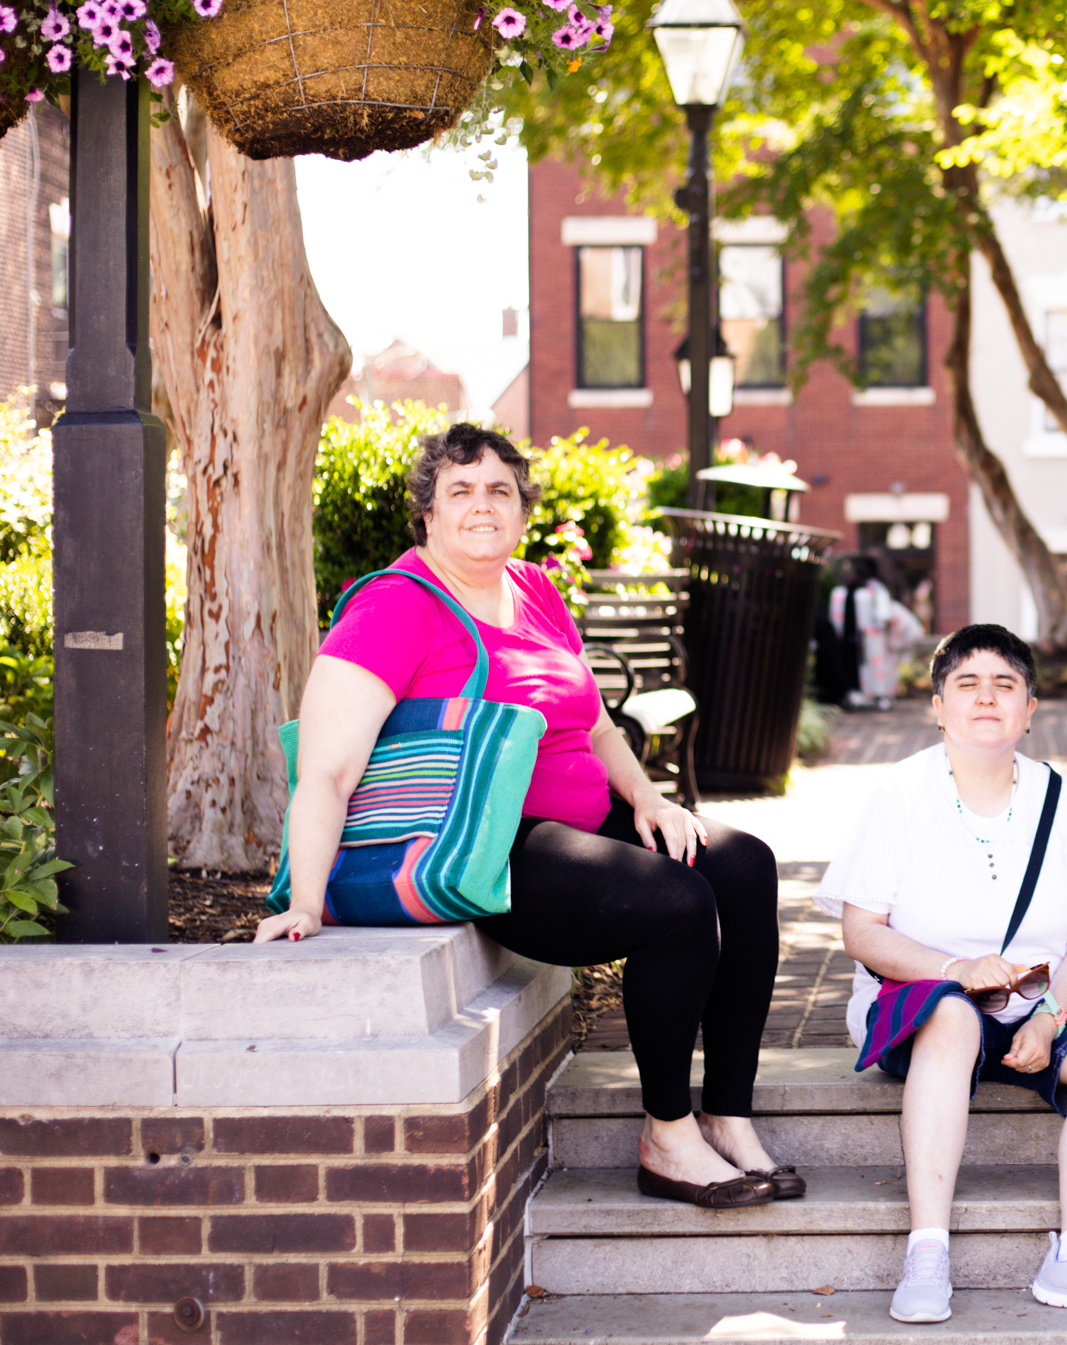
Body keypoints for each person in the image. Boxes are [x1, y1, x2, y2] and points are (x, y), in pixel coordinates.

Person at [259, 422, 794, 1211]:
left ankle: (728, 1111)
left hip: (588, 822)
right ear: (429, 514)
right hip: (493, 843)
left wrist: (647, 797)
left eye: (500, 489)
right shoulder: (395, 606)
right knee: (677, 904)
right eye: (461, 490)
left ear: (521, 509)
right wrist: (306, 900)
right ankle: (668, 1134)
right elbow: (328, 768)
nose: (483, 504)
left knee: (743, 865)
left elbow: (597, 722)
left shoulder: (535, 589)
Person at [815, 624, 1067, 1325]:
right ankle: (928, 1250)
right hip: (920, 998)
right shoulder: (901, 792)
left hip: (1035, 1003)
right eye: (966, 683)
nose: (987, 697)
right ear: (938, 706)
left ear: (1030, 710)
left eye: (1006, 684)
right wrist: (955, 968)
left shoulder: (1063, 798)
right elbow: (861, 931)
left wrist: (1054, 1012)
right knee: (950, 1014)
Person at [830, 556, 925, 710]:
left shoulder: (876, 591)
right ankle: (856, 694)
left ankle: (879, 696)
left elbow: (884, 617)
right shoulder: (842, 592)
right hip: (849, 641)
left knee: (875, 667)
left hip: (873, 640)